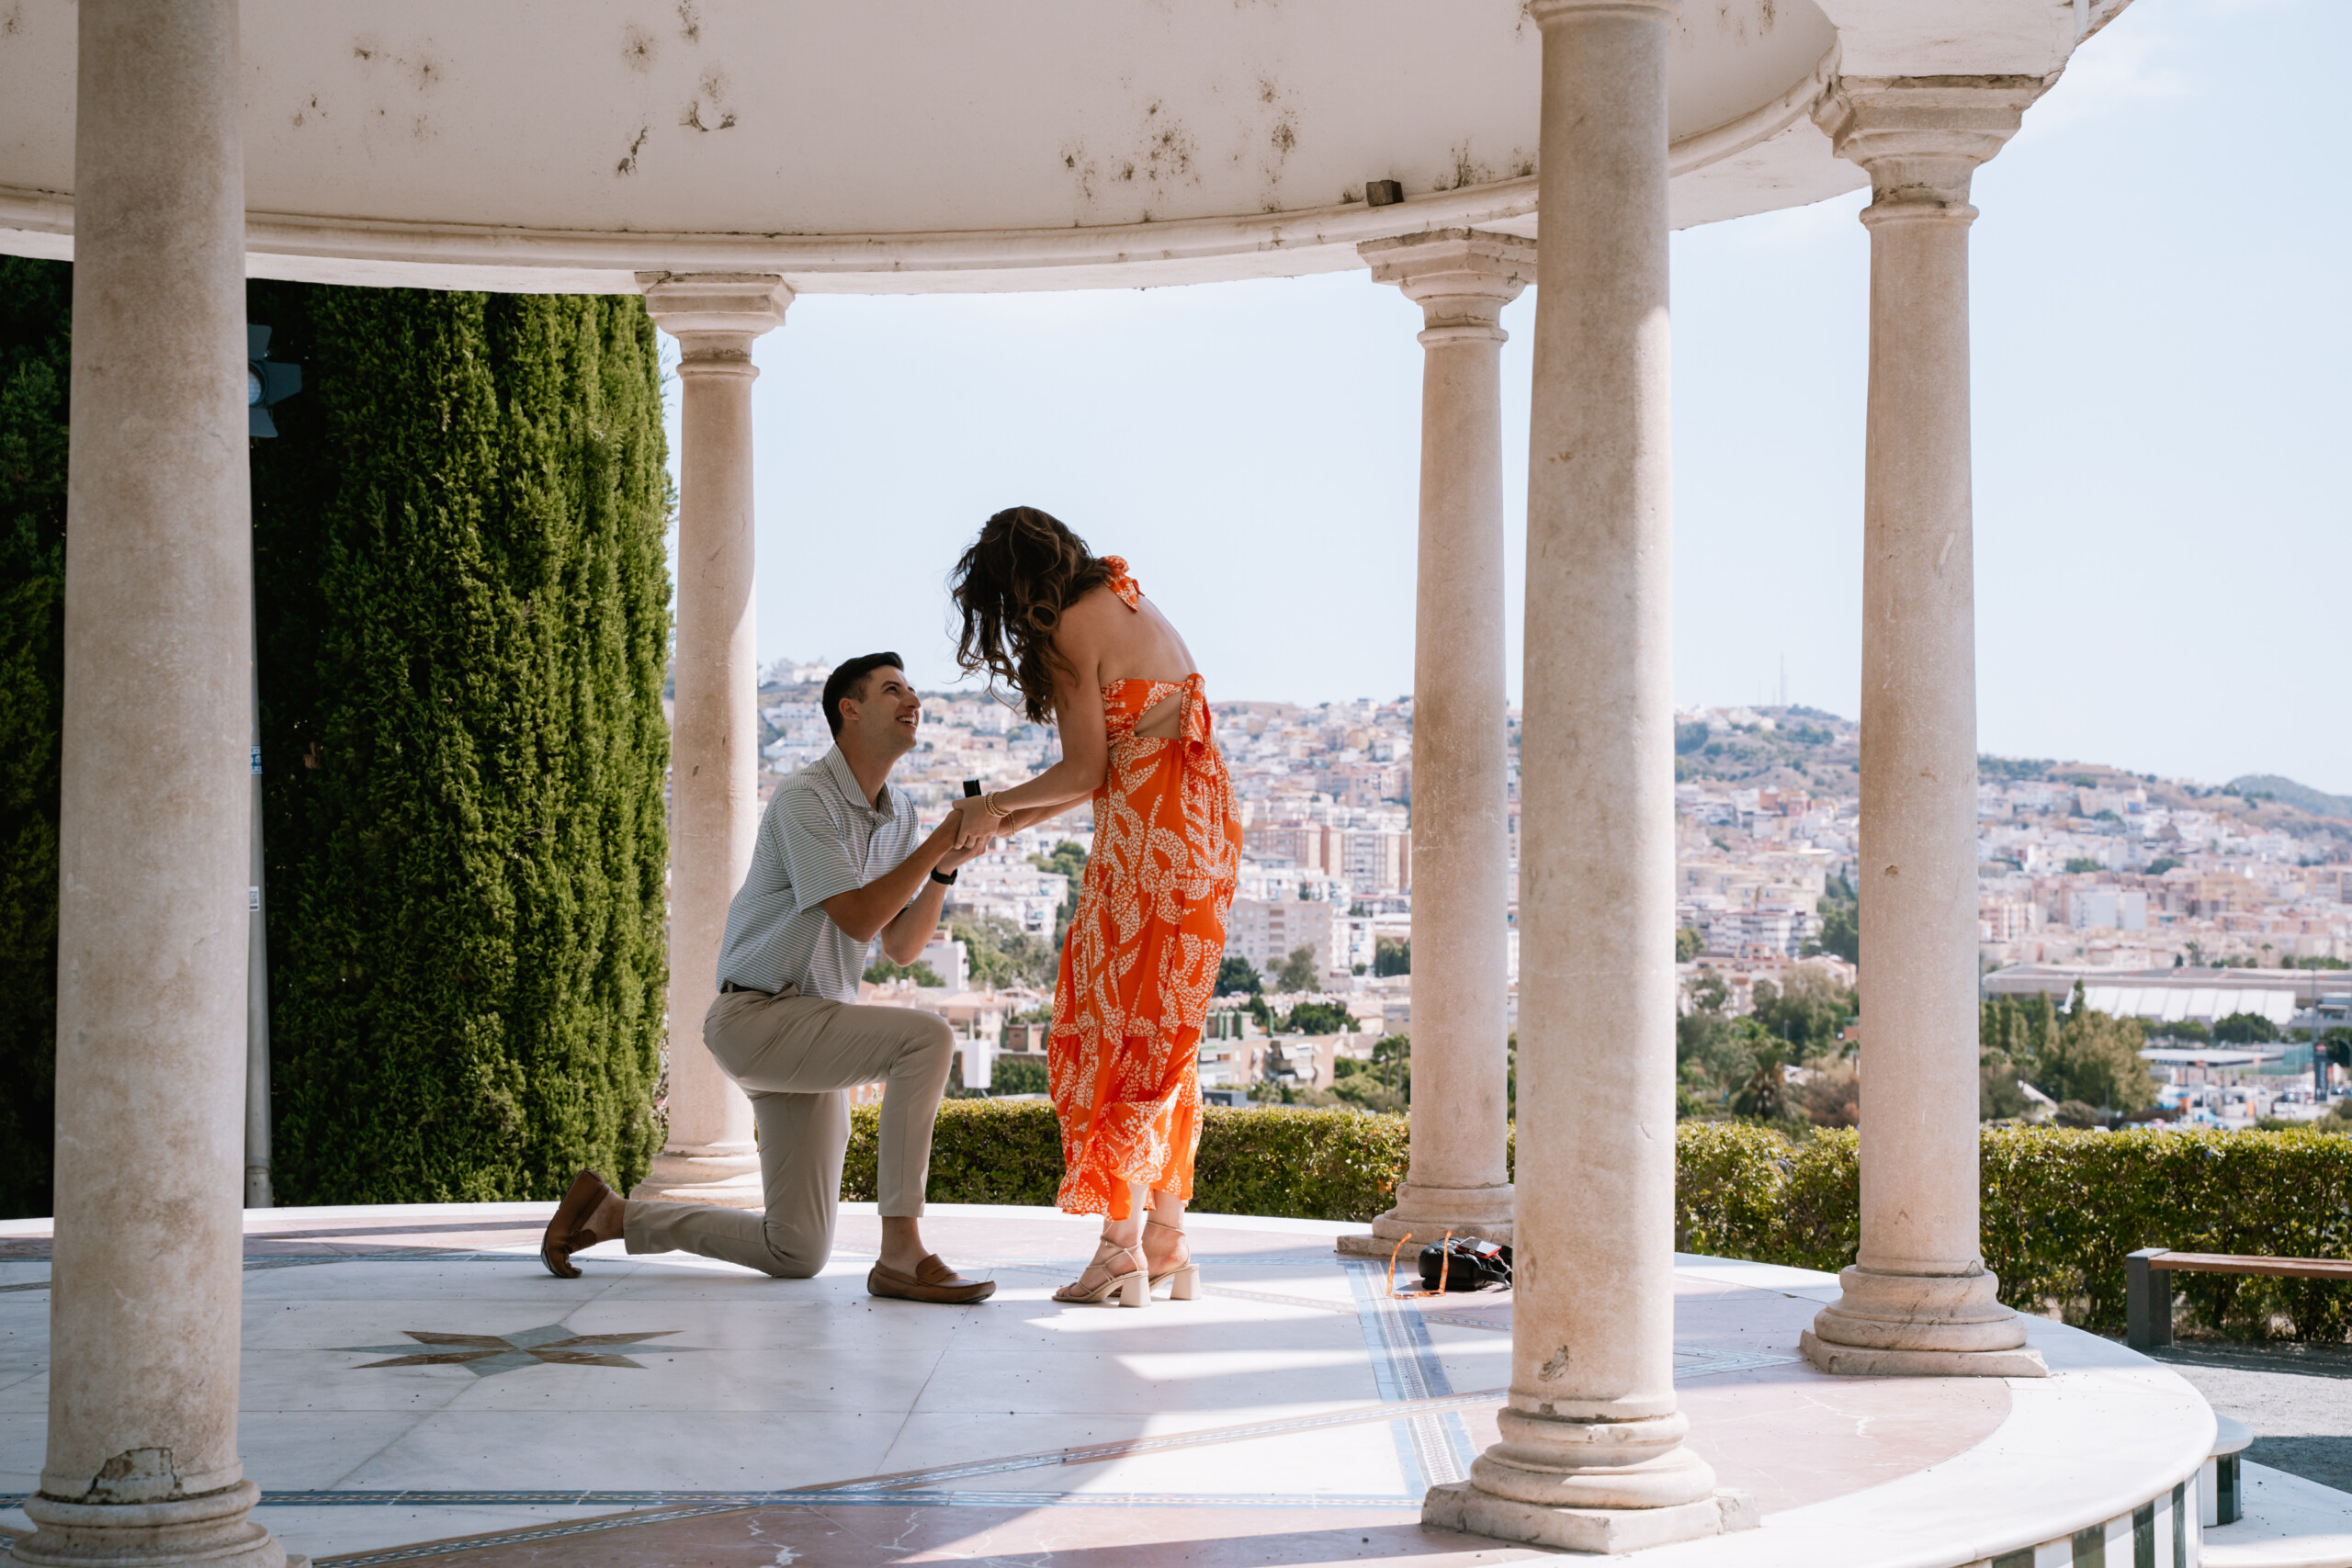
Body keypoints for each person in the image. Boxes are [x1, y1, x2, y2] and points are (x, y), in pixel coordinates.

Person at [540, 653, 997, 1303]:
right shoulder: (805, 796)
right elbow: (862, 918)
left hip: (811, 1029)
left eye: (914, 690)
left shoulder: (900, 817)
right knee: (928, 1040)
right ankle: (901, 1248)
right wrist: (944, 835)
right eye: (893, 689)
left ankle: (611, 1214)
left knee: (797, 1249)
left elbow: (899, 945)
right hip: (759, 1018)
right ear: (850, 708)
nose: (912, 700)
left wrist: (945, 868)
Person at [946, 507, 1241, 1307]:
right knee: (1164, 1035)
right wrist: (1001, 820)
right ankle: (1166, 1240)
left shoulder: (1068, 628)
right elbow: (1111, 767)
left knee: (1111, 1027)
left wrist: (995, 804)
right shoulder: (1127, 600)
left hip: (1149, 845)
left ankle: (1118, 1252)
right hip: (1198, 832)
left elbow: (1081, 771)